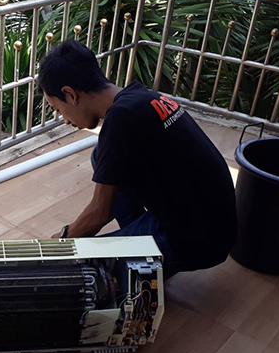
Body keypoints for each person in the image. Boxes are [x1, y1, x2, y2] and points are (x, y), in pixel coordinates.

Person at [37, 40, 237, 279]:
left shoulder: (121, 119)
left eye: (59, 110)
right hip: (210, 222)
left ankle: (151, 259)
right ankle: (142, 246)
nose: (66, 120)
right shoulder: (139, 97)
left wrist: (62, 241)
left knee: (83, 269)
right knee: (100, 154)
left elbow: (100, 213)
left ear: (70, 94)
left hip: (196, 240)